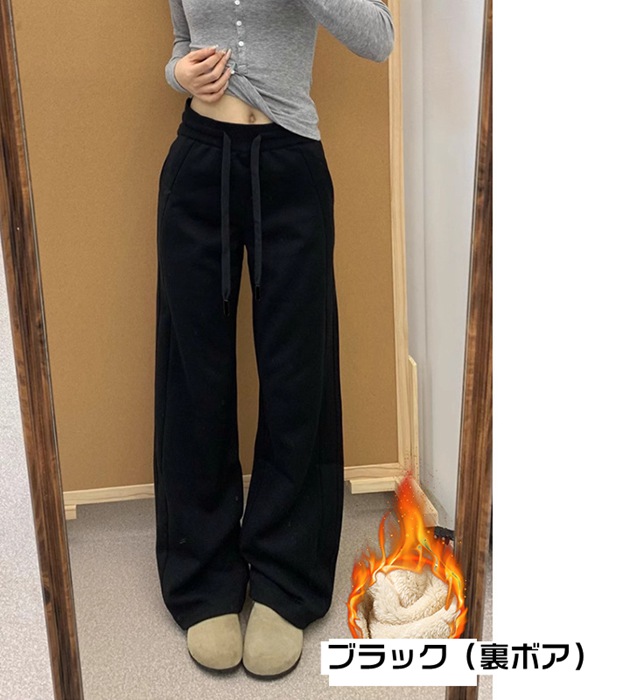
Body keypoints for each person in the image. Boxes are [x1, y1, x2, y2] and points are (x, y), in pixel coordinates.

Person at [153, 0, 394, 679]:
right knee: (194, 373)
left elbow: (378, 39)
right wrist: (180, 73)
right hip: (198, 163)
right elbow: (179, 42)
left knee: (297, 374)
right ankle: (202, 575)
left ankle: (286, 579)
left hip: (291, 166)